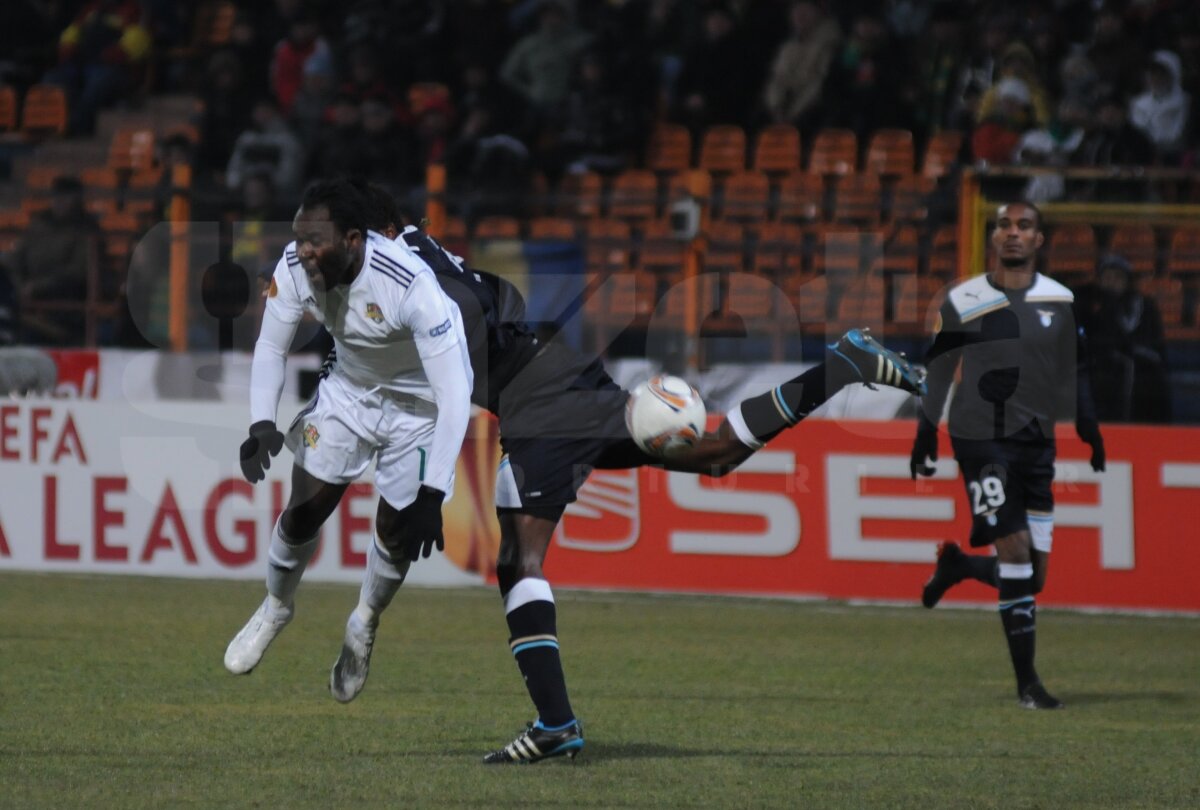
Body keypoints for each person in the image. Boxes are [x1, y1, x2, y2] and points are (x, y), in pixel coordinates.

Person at [327, 186, 927, 763]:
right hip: (559, 373)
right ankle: (840, 366)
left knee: (519, 561)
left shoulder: (405, 268)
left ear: (380, 233)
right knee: (714, 454)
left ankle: (555, 725)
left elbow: (452, 319)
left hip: (539, 403)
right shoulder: (415, 256)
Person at [223, 179, 474, 682]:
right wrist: (261, 422)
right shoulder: (294, 267)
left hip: (420, 408)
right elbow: (271, 347)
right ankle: (275, 606)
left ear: (353, 241)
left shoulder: (409, 284)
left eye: (315, 241)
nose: (303, 251)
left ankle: (364, 621)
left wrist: (434, 490)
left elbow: (454, 393)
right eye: (299, 237)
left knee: (394, 533)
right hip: (349, 391)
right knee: (303, 510)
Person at [911, 201, 1106, 711]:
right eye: (1004, 225)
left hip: (1037, 443)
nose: (1013, 233)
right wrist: (926, 429)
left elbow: (1077, 369)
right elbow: (940, 366)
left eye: (1024, 226)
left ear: (1039, 239)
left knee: (1032, 576)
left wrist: (1088, 425)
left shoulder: (1059, 300)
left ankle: (958, 565)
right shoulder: (965, 299)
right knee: (1015, 551)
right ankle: (1028, 685)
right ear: (992, 237)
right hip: (980, 439)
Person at [1077, 253, 1170, 423]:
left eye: (1117, 277)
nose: (1111, 282)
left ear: (1127, 281)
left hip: (1138, 366)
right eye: (1107, 277)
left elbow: (1154, 343)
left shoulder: (1145, 305)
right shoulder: (1089, 304)